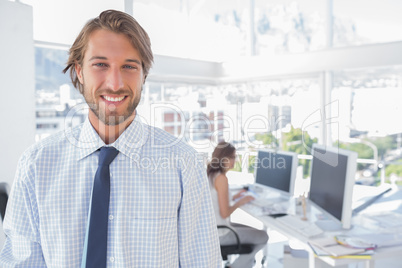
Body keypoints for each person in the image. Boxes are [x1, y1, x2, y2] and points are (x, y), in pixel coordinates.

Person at [0, 10, 221, 267]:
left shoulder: (183, 163)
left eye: (129, 66)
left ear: (143, 76)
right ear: (79, 72)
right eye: (100, 65)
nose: (115, 83)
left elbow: (203, 262)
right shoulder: (36, 165)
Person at [207, 141, 268, 268]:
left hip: (214, 229)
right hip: (221, 233)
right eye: (233, 157)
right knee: (263, 236)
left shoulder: (211, 174)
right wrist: (240, 202)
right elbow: (225, 213)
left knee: (254, 232)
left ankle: (244, 264)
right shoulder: (222, 179)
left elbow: (217, 199)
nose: (235, 160)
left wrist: (234, 196)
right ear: (223, 158)